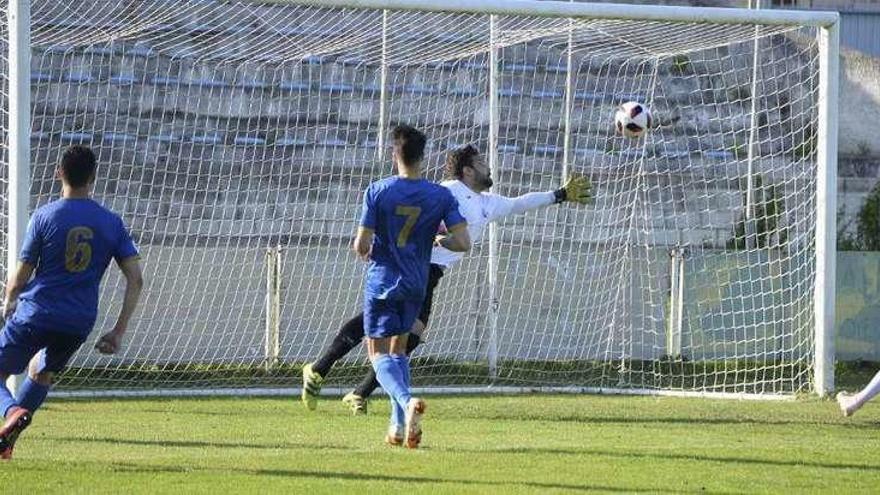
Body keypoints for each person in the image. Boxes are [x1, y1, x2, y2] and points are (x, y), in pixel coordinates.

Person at [302, 144, 591, 414]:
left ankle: (346, 384)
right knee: (389, 325)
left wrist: (560, 194)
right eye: (480, 163)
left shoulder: (486, 203)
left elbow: (520, 203)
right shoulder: (447, 191)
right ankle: (330, 375)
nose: (487, 167)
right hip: (409, 264)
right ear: (467, 171)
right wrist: (433, 237)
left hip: (429, 273)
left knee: (408, 333)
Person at [0, 145, 144, 459]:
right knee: (41, 372)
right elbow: (136, 279)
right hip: (79, 320)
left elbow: (20, 276)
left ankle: (11, 411)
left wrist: (8, 304)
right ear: (93, 177)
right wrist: (117, 332)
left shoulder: (45, 216)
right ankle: (8, 439)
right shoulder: (111, 222)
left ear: (58, 173)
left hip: (37, 312)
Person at [352, 124, 469, 447]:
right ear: (422, 157)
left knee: (376, 352)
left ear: (395, 154)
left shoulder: (377, 191)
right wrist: (434, 238)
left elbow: (361, 246)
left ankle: (405, 402)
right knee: (399, 350)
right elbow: (462, 242)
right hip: (416, 282)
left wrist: (371, 250)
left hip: (382, 281)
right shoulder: (440, 195)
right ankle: (398, 427)